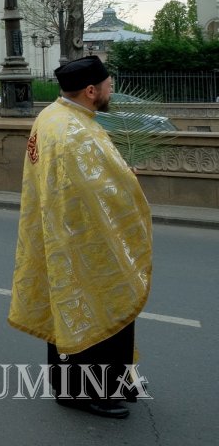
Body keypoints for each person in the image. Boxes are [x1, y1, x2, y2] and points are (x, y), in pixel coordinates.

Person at [8, 56, 152, 419]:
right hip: (86, 242)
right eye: (108, 85)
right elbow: (94, 189)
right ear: (91, 91)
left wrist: (116, 172)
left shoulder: (51, 116)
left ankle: (88, 385)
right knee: (96, 309)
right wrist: (127, 180)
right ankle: (90, 392)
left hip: (60, 235)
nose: (111, 90)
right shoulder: (75, 131)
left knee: (69, 310)